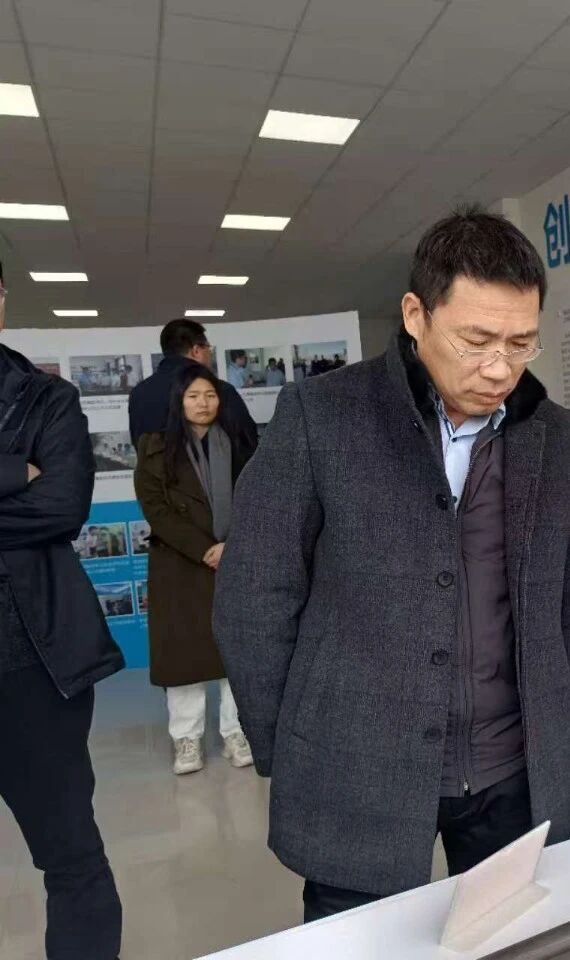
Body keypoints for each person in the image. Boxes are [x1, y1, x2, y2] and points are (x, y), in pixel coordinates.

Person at [214, 206, 570, 922]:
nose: (499, 368)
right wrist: (289, 746)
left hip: (512, 766)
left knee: (512, 936)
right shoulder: (323, 416)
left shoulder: (552, 433)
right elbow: (255, 596)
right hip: (358, 765)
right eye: (476, 340)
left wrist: (563, 730)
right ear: (416, 315)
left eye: (521, 344)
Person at [0, 258, 125, 960]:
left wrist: (34, 486)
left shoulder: (46, 399)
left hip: (31, 667)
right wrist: (11, 472)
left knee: (71, 856)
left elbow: (60, 507)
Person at [135, 365, 257, 775]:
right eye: (193, 396)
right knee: (184, 657)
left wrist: (232, 546)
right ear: (179, 401)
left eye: (210, 395)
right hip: (180, 562)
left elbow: (258, 499)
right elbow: (156, 509)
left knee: (235, 654)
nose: (203, 403)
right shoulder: (154, 446)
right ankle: (186, 739)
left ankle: (237, 732)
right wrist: (204, 548)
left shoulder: (239, 442)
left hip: (233, 558)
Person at [129, 318, 256, 448]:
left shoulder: (138, 393)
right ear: (196, 351)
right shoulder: (218, 390)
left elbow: (138, 443)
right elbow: (247, 442)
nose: (210, 353)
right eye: (208, 348)